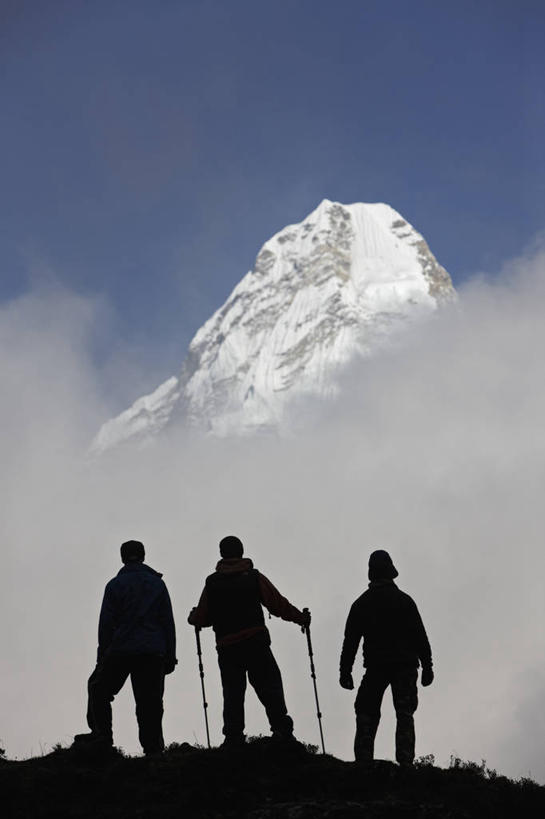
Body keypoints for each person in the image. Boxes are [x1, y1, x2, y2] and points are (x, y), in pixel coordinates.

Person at [188, 535, 310, 747]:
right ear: (241, 551)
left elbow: (203, 618)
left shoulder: (212, 582)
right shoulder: (253, 577)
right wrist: (301, 618)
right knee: (270, 686)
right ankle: (282, 731)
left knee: (233, 692)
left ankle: (233, 738)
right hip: (256, 641)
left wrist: (193, 617)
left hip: (227, 646)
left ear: (221, 554)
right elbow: (277, 604)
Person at [75, 540, 177, 755]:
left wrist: (102, 655)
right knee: (150, 703)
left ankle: (102, 736)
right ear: (144, 555)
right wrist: (170, 655)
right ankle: (153, 750)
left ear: (122, 557)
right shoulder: (157, 584)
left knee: (98, 688)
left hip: (121, 648)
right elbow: (167, 621)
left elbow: (106, 624)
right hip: (152, 651)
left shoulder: (114, 585)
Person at [339, 549, 433, 766]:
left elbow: (350, 642)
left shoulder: (361, 604)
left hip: (376, 667)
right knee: (405, 714)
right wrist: (427, 666)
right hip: (404, 666)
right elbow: (420, 637)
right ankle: (405, 764)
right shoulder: (405, 601)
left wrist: (345, 671)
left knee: (366, 713)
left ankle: (364, 763)